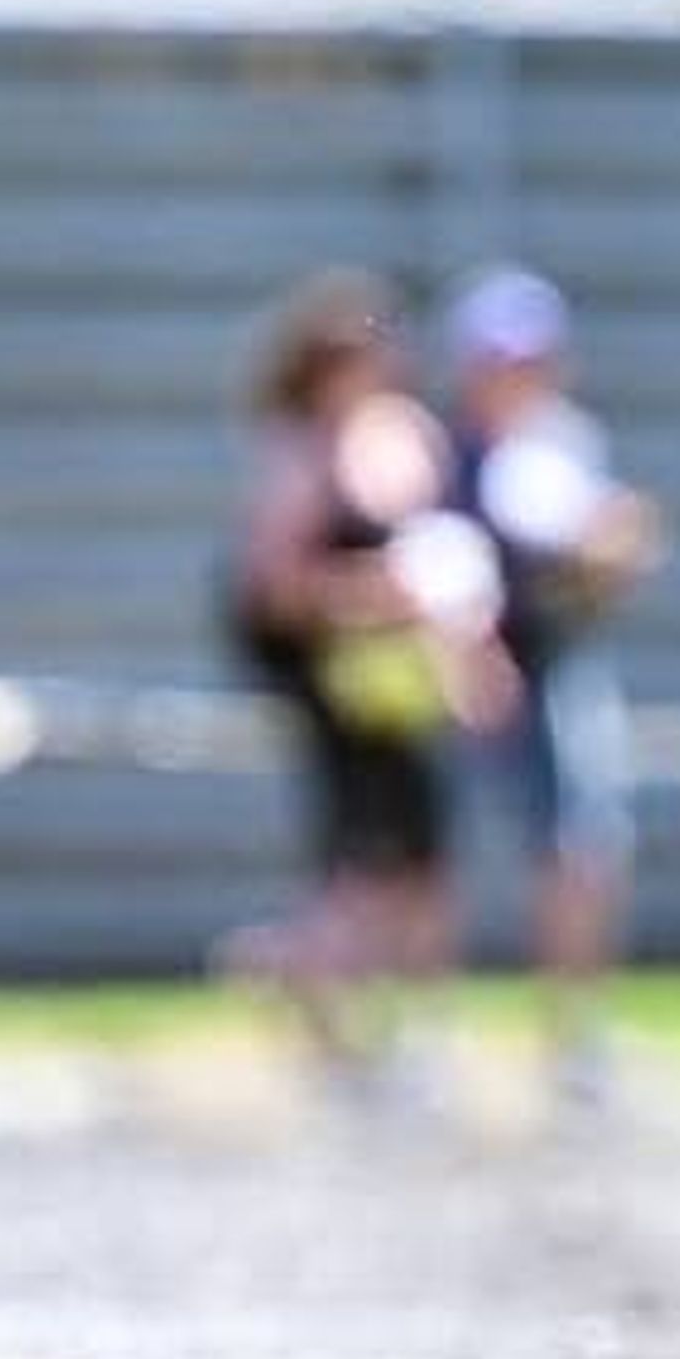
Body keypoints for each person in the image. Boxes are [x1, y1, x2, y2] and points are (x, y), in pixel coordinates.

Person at [217, 268, 502, 1084]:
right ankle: (320, 995)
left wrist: (469, 649)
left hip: (417, 683)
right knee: (366, 860)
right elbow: (273, 591)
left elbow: (456, 568)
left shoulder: (407, 437)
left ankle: (409, 1026)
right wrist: (381, 596)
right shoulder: (301, 460)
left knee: (430, 857)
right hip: (349, 689)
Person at [440, 261, 666, 1109]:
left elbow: (605, 557)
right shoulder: (454, 458)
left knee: (583, 845)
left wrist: (612, 551)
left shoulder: (563, 445)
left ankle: (575, 1028)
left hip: (559, 666)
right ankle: (430, 1027)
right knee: (425, 855)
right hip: (474, 673)